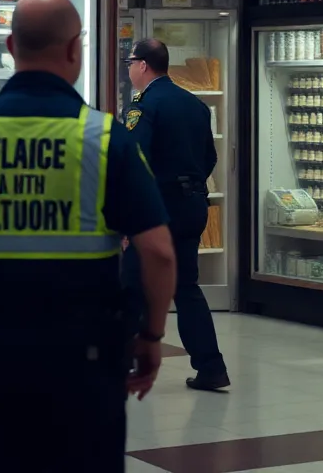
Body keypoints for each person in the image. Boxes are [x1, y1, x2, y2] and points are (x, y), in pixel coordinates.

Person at [0, 0, 177, 473]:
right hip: (83, 362)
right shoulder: (104, 138)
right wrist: (151, 335)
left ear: (10, 46)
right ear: (75, 49)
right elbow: (158, 253)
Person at [125, 38, 230, 391]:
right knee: (186, 287)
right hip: (191, 205)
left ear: (143, 66)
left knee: (131, 283)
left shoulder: (144, 106)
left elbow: (135, 162)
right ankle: (211, 367)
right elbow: (209, 157)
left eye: (130, 63)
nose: (128, 70)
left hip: (157, 208)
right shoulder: (194, 104)